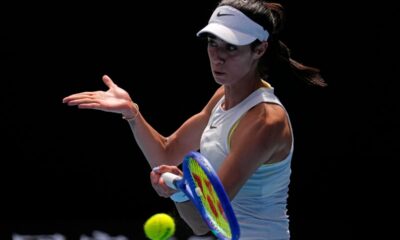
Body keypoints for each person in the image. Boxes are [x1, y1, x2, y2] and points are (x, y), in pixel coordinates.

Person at [63, 0, 327, 239]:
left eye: (231, 47)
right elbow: (167, 153)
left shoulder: (265, 122)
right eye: (213, 43)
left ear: (259, 49)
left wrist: (178, 189)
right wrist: (132, 113)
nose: (218, 56)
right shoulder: (221, 97)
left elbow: (205, 222)